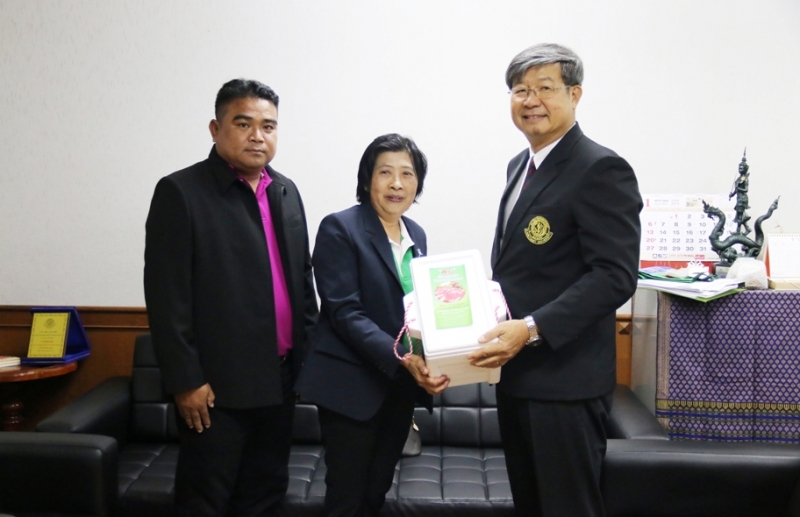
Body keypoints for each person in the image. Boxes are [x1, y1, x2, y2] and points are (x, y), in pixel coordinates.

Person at [467, 43, 642, 517]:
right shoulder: (519, 166)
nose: (531, 101)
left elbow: (615, 276)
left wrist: (531, 327)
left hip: (566, 384)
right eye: (520, 90)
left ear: (574, 94)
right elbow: (521, 269)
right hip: (518, 378)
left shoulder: (600, 168)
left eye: (545, 88)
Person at [144, 78, 318, 517]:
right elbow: (166, 299)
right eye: (243, 124)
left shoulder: (285, 191)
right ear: (215, 128)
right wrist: (186, 381)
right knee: (205, 502)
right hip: (215, 390)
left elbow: (302, 282)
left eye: (268, 126)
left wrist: (308, 365)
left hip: (280, 381)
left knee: (265, 495)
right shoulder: (181, 192)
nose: (258, 136)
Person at [295, 133, 449, 517]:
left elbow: (417, 312)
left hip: (397, 388)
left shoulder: (416, 234)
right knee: (347, 496)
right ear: (367, 180)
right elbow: (345, 312)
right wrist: (403, 358)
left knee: (377, 489)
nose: (397, 184)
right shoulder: (340, 228)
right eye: (385, 173)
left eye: (407, 174)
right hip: (350, 386)